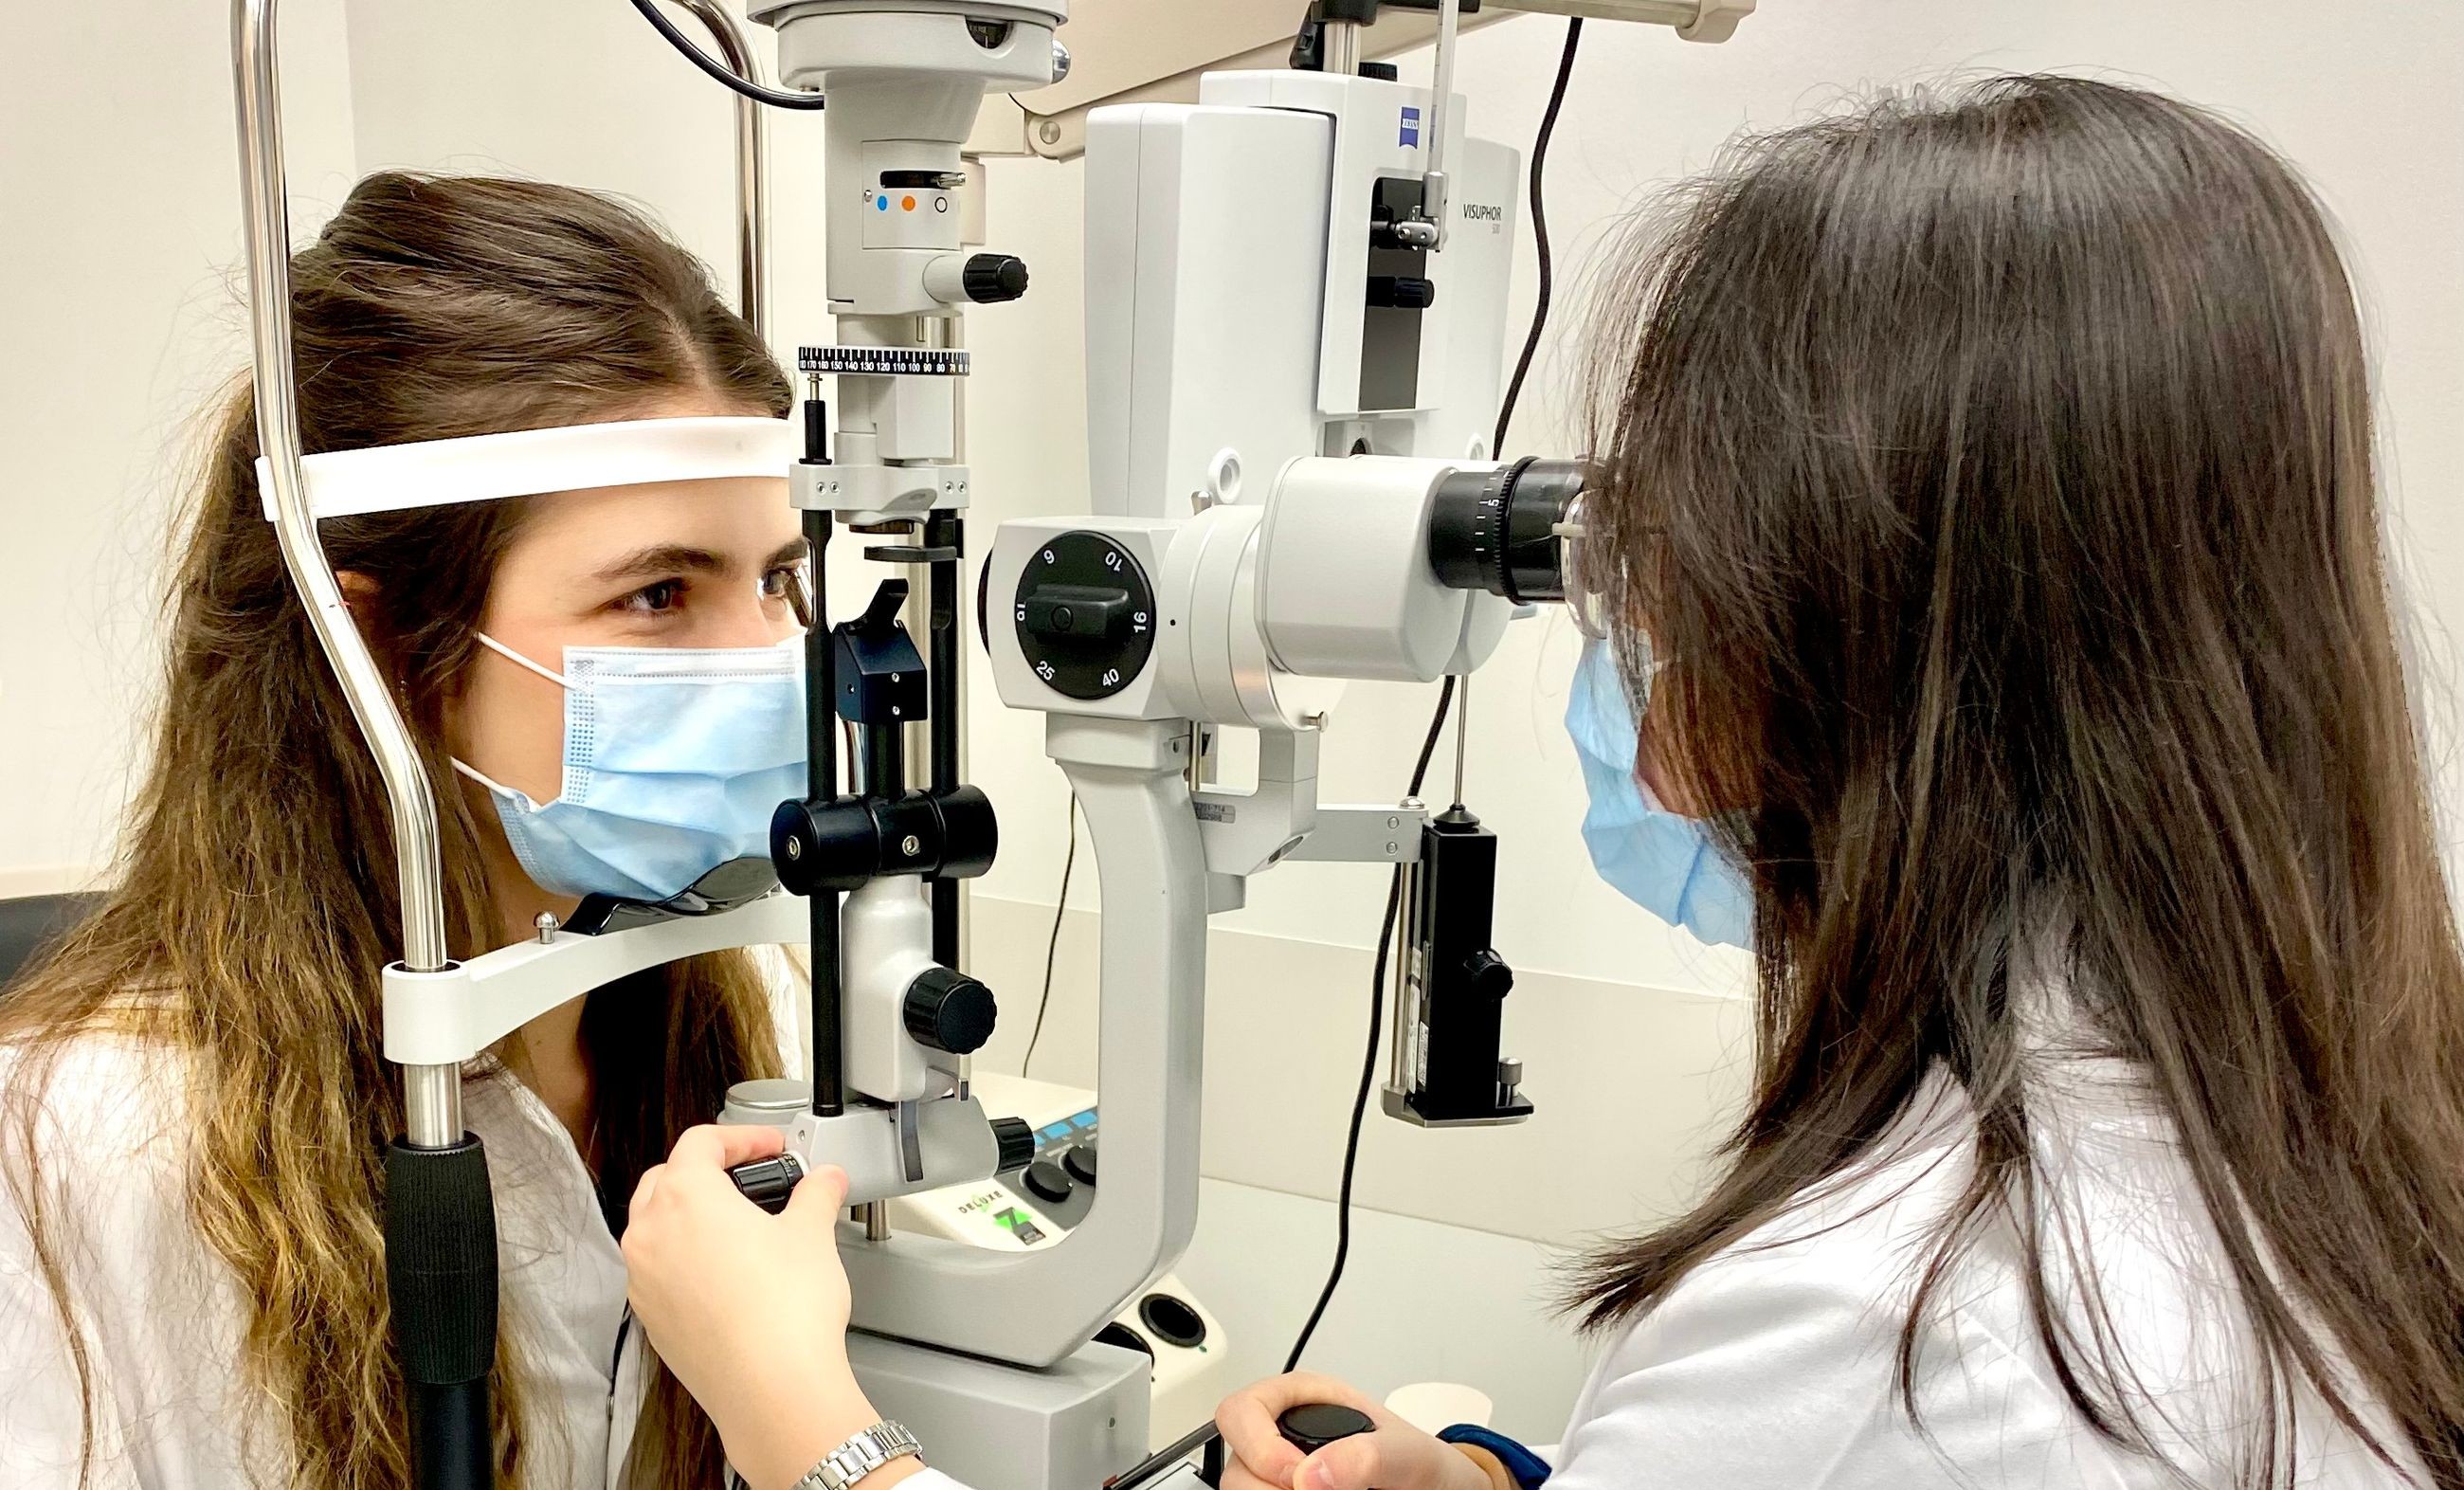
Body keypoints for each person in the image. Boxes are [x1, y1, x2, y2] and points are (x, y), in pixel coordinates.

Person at [617, 76, 2464, 1490]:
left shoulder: (1910, 1310)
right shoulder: (2313, 1126)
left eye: (1652, 545)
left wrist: (812, 1430)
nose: (1621, 614)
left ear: (1840, 622)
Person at [0, 172, 814, 1489]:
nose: (770, 662)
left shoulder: (705, 1024)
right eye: (660, 593)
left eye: (780, 578)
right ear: (373, 644)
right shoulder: (95, 1147)